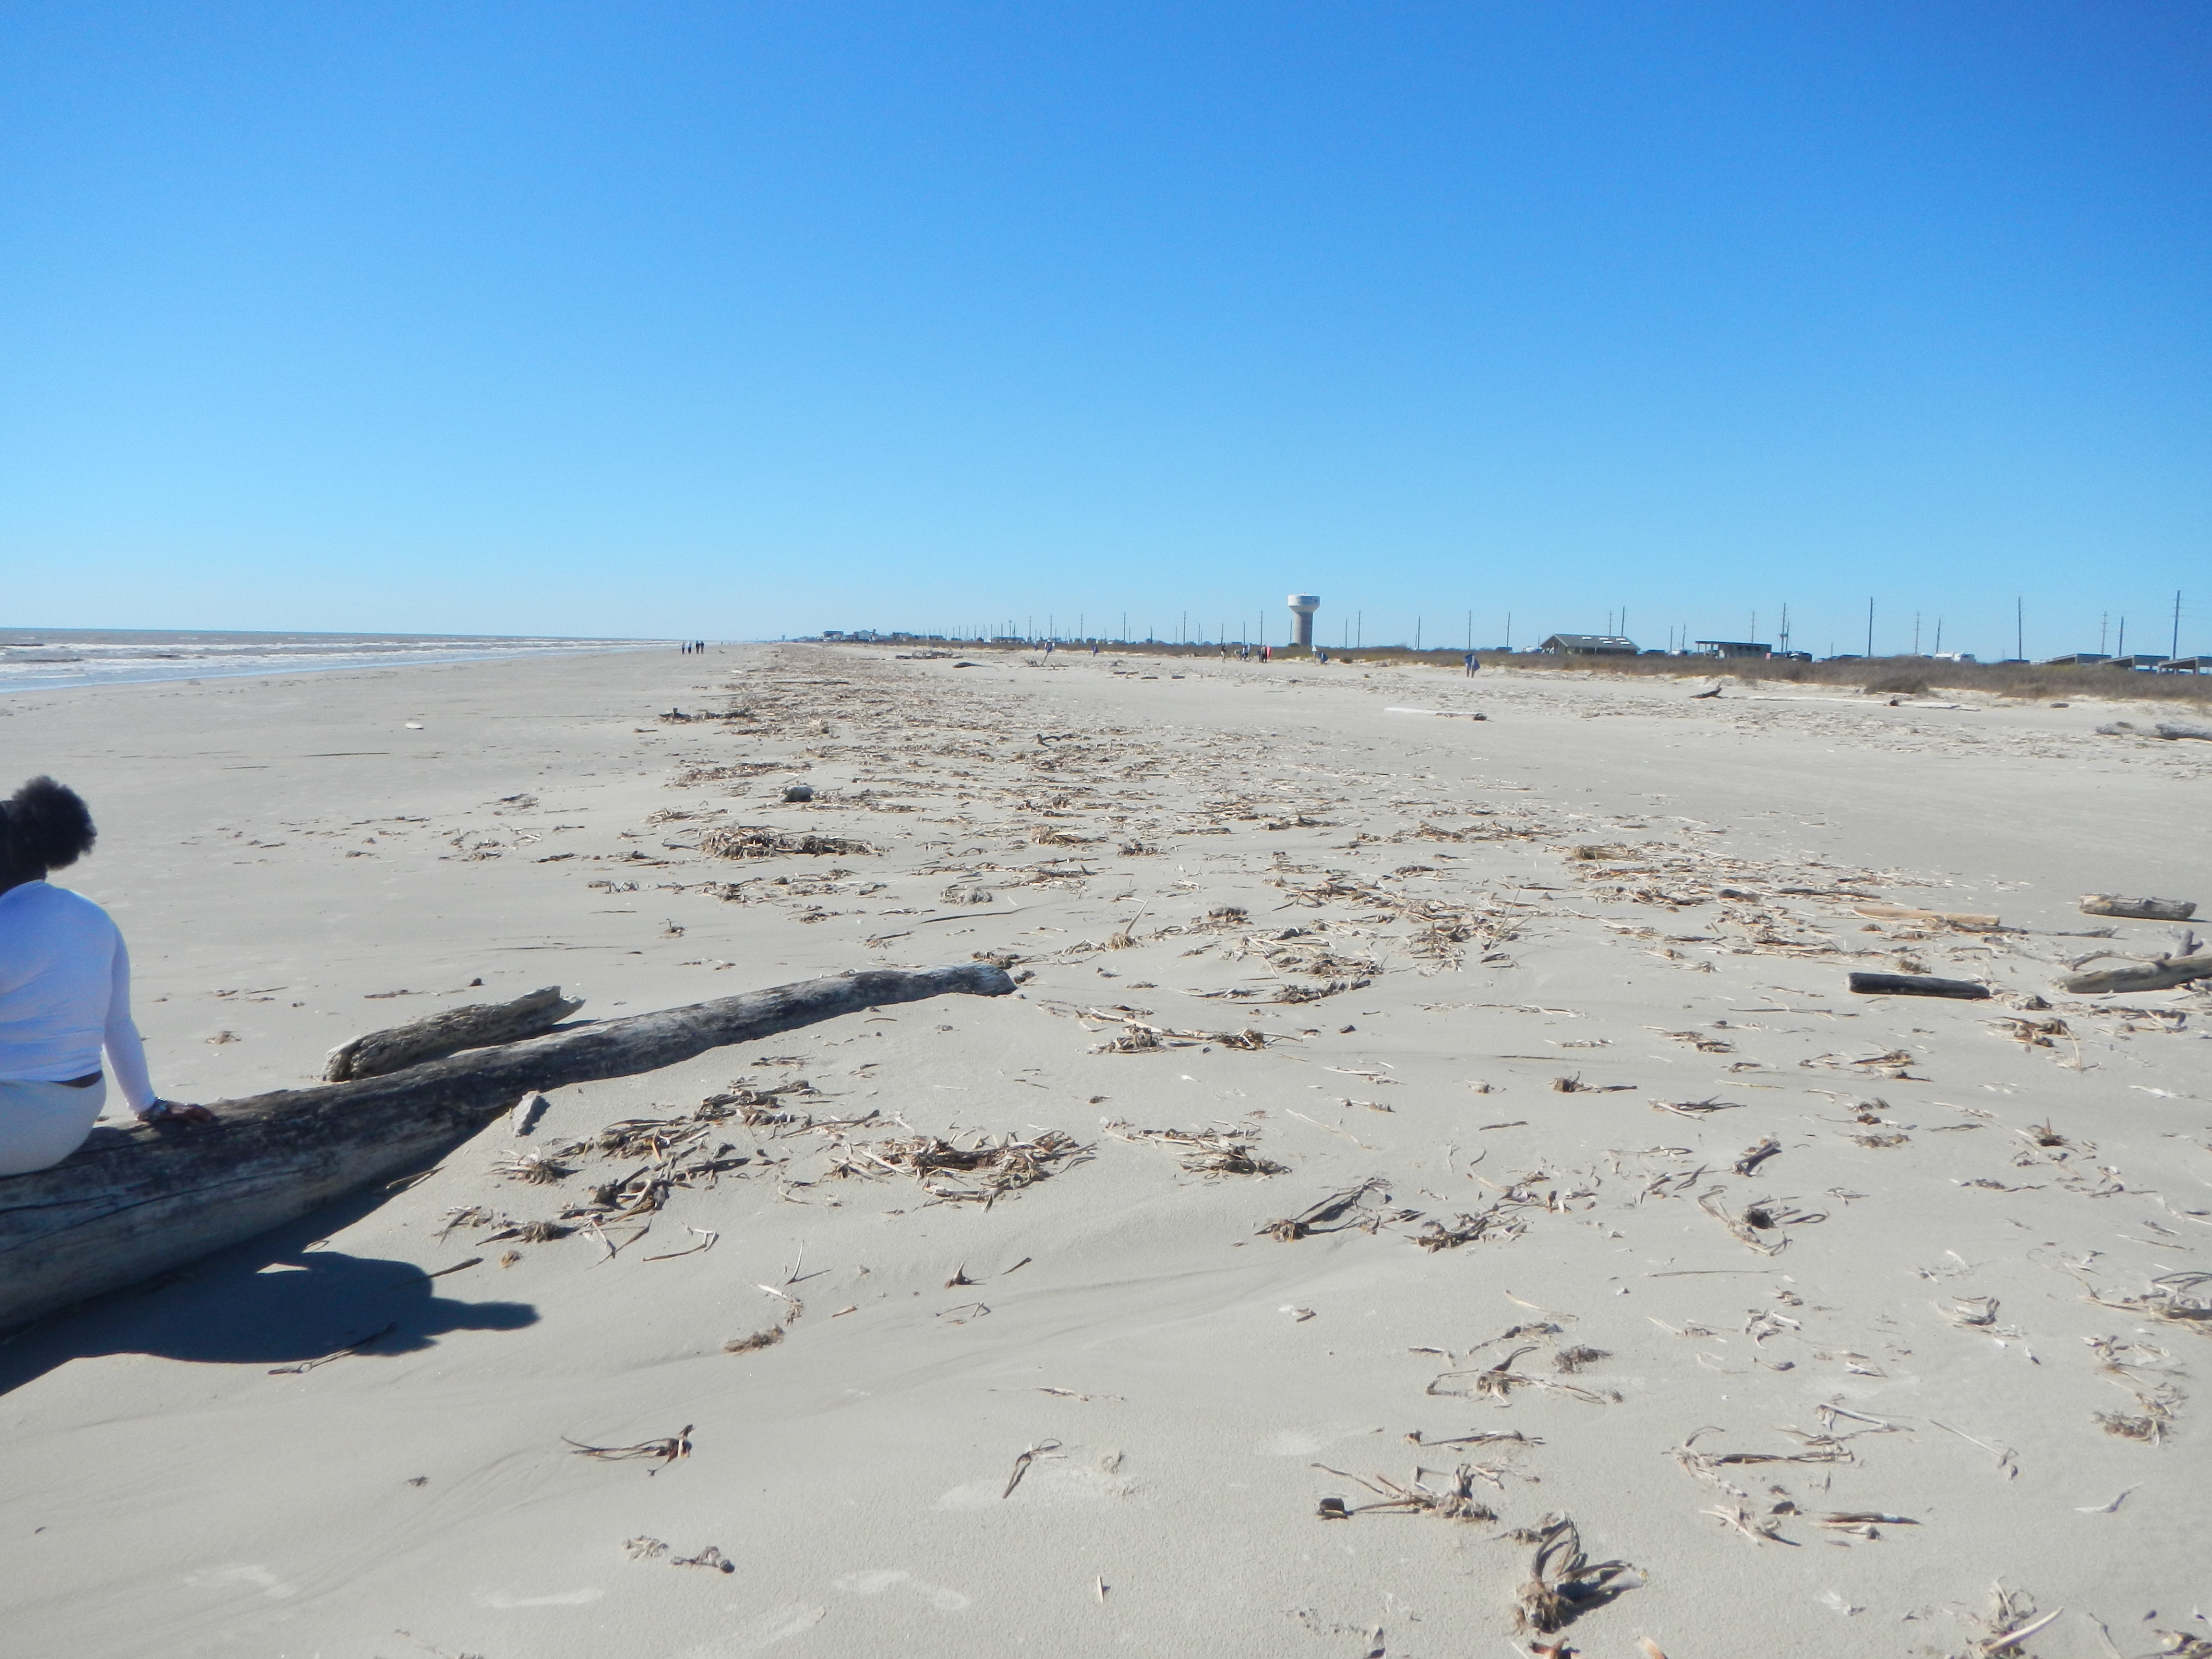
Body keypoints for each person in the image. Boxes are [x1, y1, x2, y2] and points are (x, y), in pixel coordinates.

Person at [0, 777, 209, 1178]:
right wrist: (150, 1105)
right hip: (73, 1123)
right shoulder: (92, 916)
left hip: (13, 1129)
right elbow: (117, 1024)